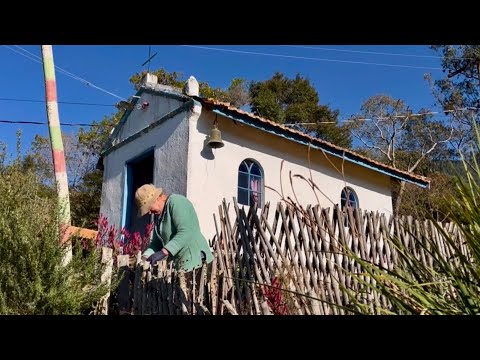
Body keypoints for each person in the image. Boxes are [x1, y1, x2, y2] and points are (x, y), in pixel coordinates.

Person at [135, 184, 214, 273]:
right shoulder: (159, 216)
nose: (149, 212)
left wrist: (164, 252)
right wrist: (145, 257)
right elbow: (156, 243)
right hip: (181, 265)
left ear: (157, 199)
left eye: (149, 207)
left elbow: (186, 232)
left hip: (197, 262)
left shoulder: (177, 202)